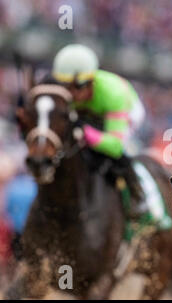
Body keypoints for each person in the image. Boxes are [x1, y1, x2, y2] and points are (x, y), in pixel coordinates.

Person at [51, 44, 148, 218]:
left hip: (127, 111)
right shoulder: (67, 94)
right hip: (93, 115)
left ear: (89, 82)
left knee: (118, 154)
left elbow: (115, 146)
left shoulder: (113, 93)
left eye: (75, 87)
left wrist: (86, 134)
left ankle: (137, 195)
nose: (70, 93)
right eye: (65, 86)